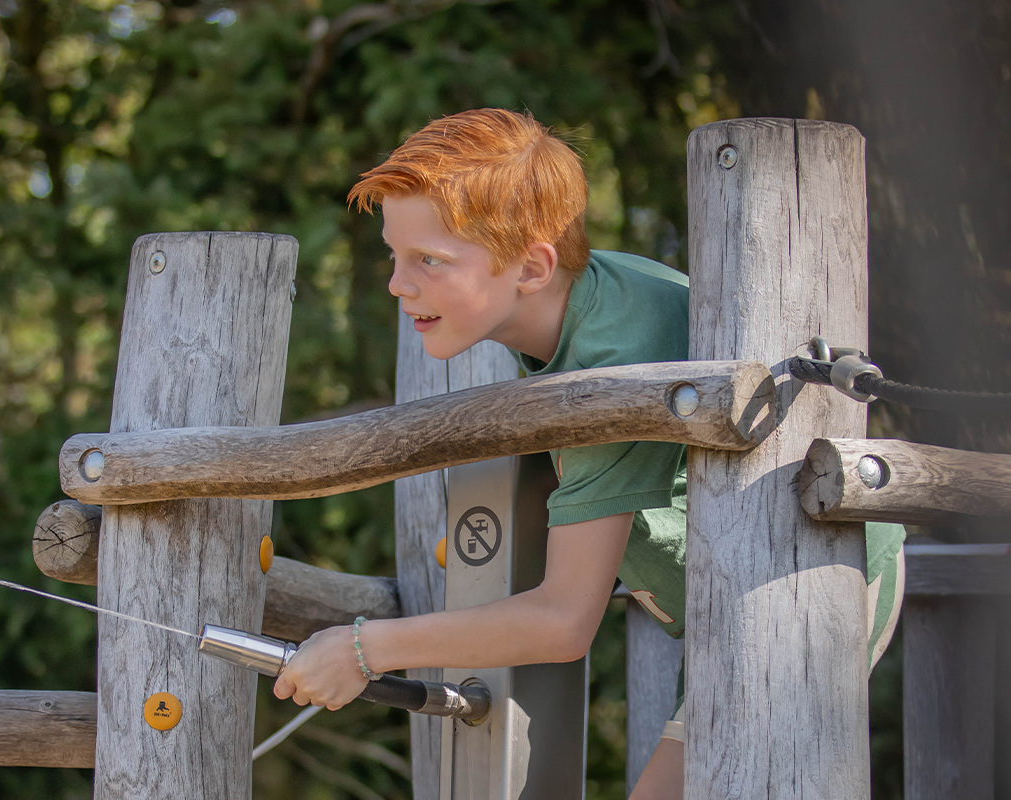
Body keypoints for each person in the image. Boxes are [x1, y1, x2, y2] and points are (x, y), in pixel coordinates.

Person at [273, 108, 906, 799]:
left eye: (430, 260)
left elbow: (562, 621)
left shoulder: (609, 364)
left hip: (801, 580)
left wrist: (364, 649)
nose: (398, 283)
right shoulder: (588, 304)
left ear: (533, 265)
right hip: (736, 591)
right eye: (395, 256)